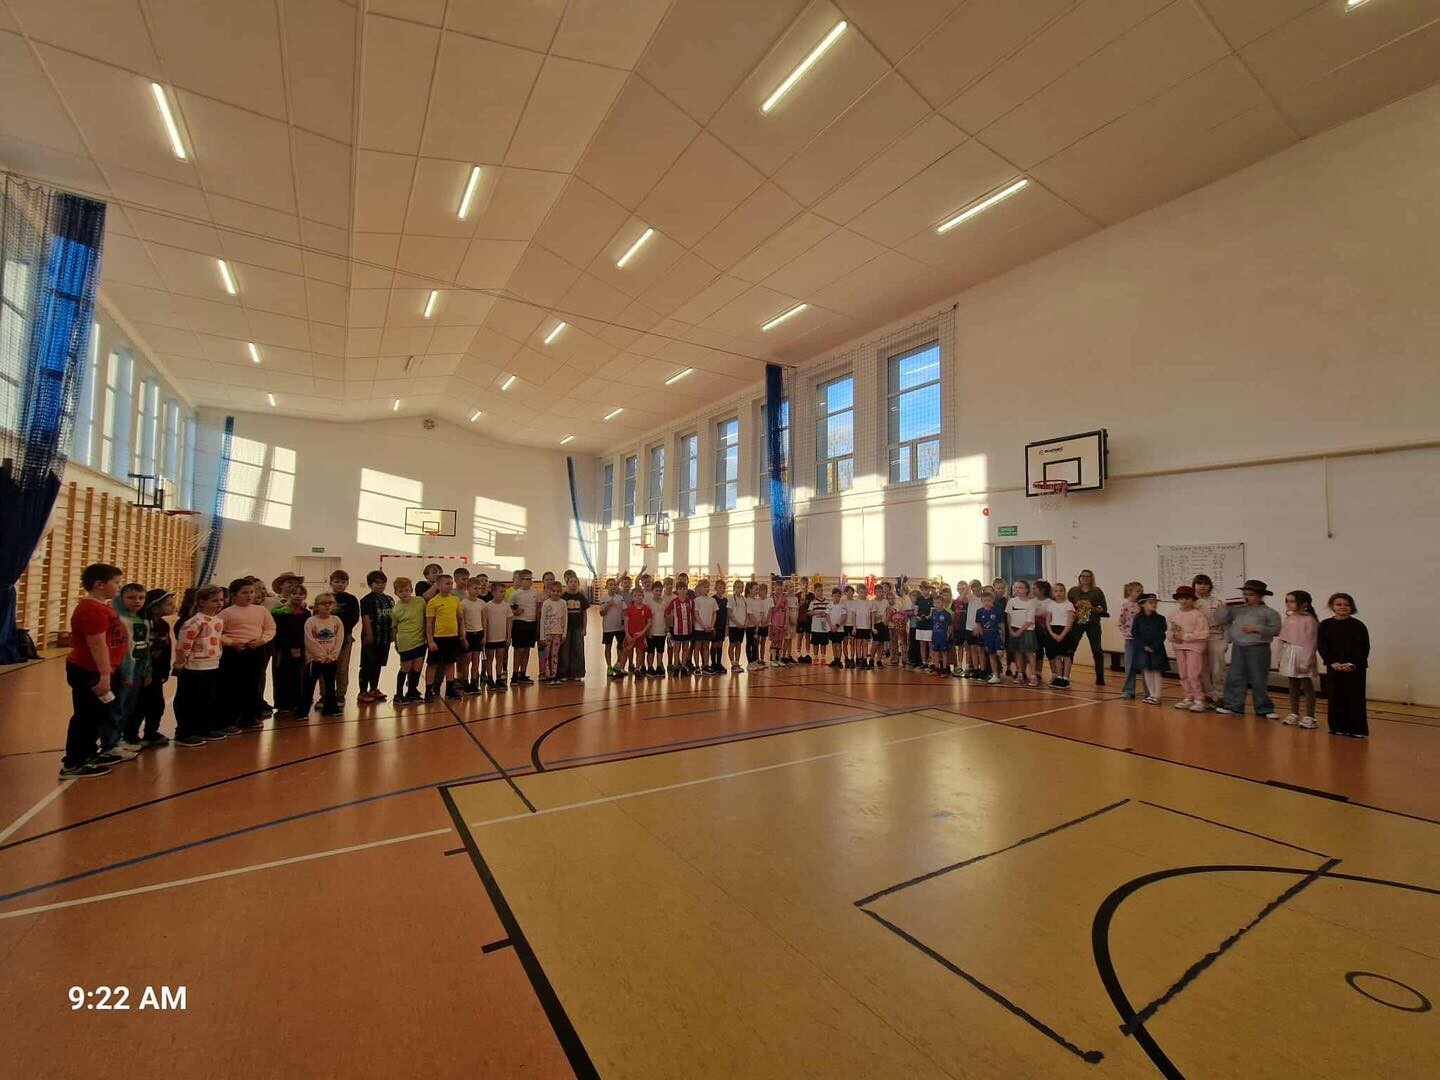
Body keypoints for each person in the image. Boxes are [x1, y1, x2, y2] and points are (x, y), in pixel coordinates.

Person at [60, 563, 129, 777]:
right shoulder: (92, 610)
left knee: (99, 714)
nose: (119, 587)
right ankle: (74, 762)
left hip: (99, 670)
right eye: (116, 583)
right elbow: (97, 645)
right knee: (87, 716)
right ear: (99, 585)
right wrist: (104, 675)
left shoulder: (102, 607)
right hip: (90, 671)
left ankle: (88, 753)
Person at [1216, 580, 1281, 719]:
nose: (1246, 597)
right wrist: (1223, 608)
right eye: (1245, 594)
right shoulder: (1238, 609)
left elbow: (1276, 630)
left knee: (1258, 678)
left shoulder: (1269, 612)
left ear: (1260, 596)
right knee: (1235, 676)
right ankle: (1233, 705)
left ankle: (1264, 708)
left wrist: (1256, 628)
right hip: (1239, 646)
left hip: (1258, 648)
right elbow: (1221, 619)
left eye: (1251, 595)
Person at [171, 585, 227, 747]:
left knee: (208, 699)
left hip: (212, 665)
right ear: (201, 602)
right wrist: (180, 662)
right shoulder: (195, 622)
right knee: (190, 700)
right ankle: (185, 732)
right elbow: (184, 644)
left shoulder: (217, 620)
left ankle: (204, 728)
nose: (219, 603)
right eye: (214, 600)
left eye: (221, 600)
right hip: (194, 667)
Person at [220, 578, 276, 732]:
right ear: (234, 595)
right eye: (244, 593)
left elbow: (270, 628)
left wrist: (262, 640)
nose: (249, 595)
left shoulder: (261, 610)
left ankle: (249, 717)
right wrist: (231, 642)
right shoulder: (226, 613)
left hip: (256, 650)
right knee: (233, 686)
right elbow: (217, 632)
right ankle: (230, 720)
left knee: (253, 685)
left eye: (251, 592)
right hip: (235, 652)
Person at [128, 588, 176, 748]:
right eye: (168, 604)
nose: (173, 606)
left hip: (156, 672)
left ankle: (151, 732)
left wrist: (165, 669)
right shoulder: (142, 624)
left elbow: (167, 649)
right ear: (154, 607)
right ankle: (130, 735)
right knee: (139, 705)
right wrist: (144, 671)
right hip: (142, 672)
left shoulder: (163, 625)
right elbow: (140, 650)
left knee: (157, 704)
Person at [1317, 592, 1369, 738]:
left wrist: (1352, 663)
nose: (1343, 607)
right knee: (1335, 697)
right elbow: (1322, 645)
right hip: (1334, 667)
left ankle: (1356, 729)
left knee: (1355, 697)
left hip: (1355, 668)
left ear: (1352, 607)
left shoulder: (1358, 625)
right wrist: (1331, 662)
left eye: (1346, 604)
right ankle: (1337, 727)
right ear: (1332, 606)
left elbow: (1363, 647)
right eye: (1339, 604)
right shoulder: (1325, 625)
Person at [108, 582, 149, 757]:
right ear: (121, 599)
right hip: (125, 670)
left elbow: (144, 647)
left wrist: (147, 669)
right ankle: (111, 743)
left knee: (129, 707)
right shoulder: (120, 621)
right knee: (117, 707)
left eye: (141, 598)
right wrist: (126, 673)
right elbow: (123, 650)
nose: (137, 601)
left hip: (138, 669)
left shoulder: (141, 620)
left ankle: (121, 739)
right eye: (131, 598)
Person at [1277, 590, 1320, 729]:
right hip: (1289, 652)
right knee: (1292, 684)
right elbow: (1282, 638)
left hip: (1302, 654)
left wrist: (1306, 661)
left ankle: (1310, 716)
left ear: (1304, 603)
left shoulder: (1310, 620)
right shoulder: (1289, 618)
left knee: (1306, 685)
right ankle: (1294, 713)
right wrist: (1280, 656)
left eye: (1292, 601)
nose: (1288, 604)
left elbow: (1311, 643)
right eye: (1287, 601)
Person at [270, 583, 310, 717]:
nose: (297, 596)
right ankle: (282, 704)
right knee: (282, 676)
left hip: (301, 648)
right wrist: (290, 646)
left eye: (301, 594)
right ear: (289, 595)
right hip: (283, 649)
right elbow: (278, 632)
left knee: (298, 676)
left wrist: (299, 647)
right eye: (294, 593)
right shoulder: (279, 612)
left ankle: (297, 702)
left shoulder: (306, 613)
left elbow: (305, 632)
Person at [1168, 586, 1210, 711]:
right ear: (1177, 600)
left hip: (1194, 647)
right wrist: (1172, 637)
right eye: (1181, 598)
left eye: (1187, 598)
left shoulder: (1198, 615)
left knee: (1193, 674)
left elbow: (1203, 633)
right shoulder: (1173, 615)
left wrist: (1185, 637)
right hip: (1179, 647)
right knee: (1183, 674)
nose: (1184, 601)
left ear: (1192, 599)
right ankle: (1188, 697)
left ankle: (1199, 699)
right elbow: (1171, 630)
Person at [423, 573, 465, 701]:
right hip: (438, 638)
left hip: (452, 637)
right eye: (447, 583)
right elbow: (429, 624)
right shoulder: (433, 602)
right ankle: (428, 691)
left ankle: (450, 689)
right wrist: (430, 641)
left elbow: (460, 618)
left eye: (451, 583)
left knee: (450, 664)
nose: (450, 586)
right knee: (433, 665)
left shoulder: (455, 600)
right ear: (439, 586)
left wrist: (462, 633)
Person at [303, 592, 344, 716]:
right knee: (309, 685)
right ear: (317, 606)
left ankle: (331, 708)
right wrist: (321, 656)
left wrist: (333, 656)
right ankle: (303, 711)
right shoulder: (311, 621)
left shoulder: (336, 620)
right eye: (323, 603)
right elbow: (310, 641)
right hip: (315, 660)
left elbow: (339, 639)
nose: (327, 606)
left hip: (331, 659)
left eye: (330, 603)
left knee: (330, 684)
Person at [1067, 570, 1110, 686]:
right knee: (1071, 648)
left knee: (1097, 650)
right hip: (1077, 623)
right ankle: (1065, 675)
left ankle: (1100, 677)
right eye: (1083, 576)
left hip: (1093, 623)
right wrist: (1076, 606)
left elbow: (1104, 608)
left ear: (1092, 578)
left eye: (1088, 576)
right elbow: (1066, 606)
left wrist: (1092, 607)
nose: (1085, 578)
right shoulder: (1073, 591)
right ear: (1079, 577)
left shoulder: (1097, 591)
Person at [390, 577, 428, 704]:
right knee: (406, 667)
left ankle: (412, 691)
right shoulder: (396, 609)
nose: (404, 593)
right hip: (406, 641)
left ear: (411, 590)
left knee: (417, 667)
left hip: (420, 640)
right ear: (396, 593)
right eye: (400, 591)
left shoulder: (420, 601)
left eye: (406, 590)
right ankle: (399, 694)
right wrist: (396, 643)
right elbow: (395, 628)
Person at [358, 570, 394, 703]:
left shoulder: (389, 599)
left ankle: (373, 689)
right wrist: (369, 634)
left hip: (384, 638)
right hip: (372, 637)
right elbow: (365, 618)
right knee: (367, 665)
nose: (380, 585)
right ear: (370, 584)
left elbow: (392, 617)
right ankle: (362, 691)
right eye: (377, 583)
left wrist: (392, 633)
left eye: (383, 583)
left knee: (378, 664)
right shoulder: (367, 600)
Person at [1192, 574, 1228, 707]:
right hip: (1197, 639)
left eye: (1206, 583)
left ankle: (1219, 695)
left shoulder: (1218, 603)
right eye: (1199, 583)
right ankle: (1207, 695)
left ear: (1210, 586)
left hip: (1215, 636)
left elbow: (1226, 622)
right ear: (1194, 586)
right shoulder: (1190, 602)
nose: (1202, 586)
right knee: (1202, 668)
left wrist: (1226, 640)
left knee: (1218, 667)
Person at [329, 570, 360, 703]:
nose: (340, 584)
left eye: (343, 582)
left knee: (342, 667)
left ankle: (340, 695)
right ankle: (326, 695)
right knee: (327, 666)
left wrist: (343, 631)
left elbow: (354, 617)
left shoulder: (351, 599)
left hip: (345, 636)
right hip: (327, 638)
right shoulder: (326, 598)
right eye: (337, 582)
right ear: (331, 582)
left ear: (347, 583)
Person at [1132, 593, 1168, 704]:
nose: (1154, 604)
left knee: (1156, 671)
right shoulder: (1138, 618)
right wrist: (1143, 646)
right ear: (1143, 604)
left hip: (1156, 649)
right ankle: (1151, 694)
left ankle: (1157, 696)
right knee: (1146, 670)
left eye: (1155, 603)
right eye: (1151, 602)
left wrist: (1154, 646)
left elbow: (1161, 634)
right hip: (1143, 649)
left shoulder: (1160, 619)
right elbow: (1135, 633)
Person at [1005, 580, 1039, 687]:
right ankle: (1020, 674)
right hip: (1014, 629)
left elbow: (1029, 620)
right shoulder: (1011, 601)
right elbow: (1009, 616)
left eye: (1020, 588)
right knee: (1017, 652)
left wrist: (1019, 631)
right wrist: (1011, 630)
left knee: (1029, 653)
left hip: (1027, 631)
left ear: (1026, 589)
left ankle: (1033, 676)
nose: (1017, 590)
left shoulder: (1031, 603)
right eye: (1015, 588)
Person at [508, 569, 539, 684]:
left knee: (527, 650)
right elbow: (509, 607)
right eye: (528, 579)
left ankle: (523, 673)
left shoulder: (535, 593)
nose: (530, 581)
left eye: (531, 579)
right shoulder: (515, 594)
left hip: (531, 624)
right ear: (521, 580)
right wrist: (516, 611)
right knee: (518, 650)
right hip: (519, 623)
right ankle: (514, 674)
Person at [482, 584, 514, 690]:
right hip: (490, 638)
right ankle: (490, 679)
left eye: (504, 591)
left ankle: (499, 679)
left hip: (502, 637)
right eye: (501, 591)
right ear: (493, 592)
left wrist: (509, 636)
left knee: (500, 658)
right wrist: (485, 636)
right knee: (489, 659)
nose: (503, 594)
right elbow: (485, 622)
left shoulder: (506, 606)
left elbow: (509, 622)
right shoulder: (487, 606)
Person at [1045, 581, 1076, 688]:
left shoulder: (1069, 605)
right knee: (1057, 655)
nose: (1058, 593)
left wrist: (1062, 635)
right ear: (1053, 593)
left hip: (1065, 631)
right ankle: (1059, 676)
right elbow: (1048, 621)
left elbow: (1069, 623)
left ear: (1064, 592)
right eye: (1056, 591)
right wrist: (1051, 633)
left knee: (1066, 656)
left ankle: (1066, 678)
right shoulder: (1051, 605)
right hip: (1054, 630)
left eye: (1061, 591)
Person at [460, 579, 488, 693]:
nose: (477, 590)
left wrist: (484, 636)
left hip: (479, 633)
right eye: (475, 588)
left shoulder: (482, 603)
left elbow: (484, 620)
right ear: (468, 589)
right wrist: (463, 637)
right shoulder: (463, 603)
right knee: (467, 659)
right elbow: (461, 621)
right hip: (468, 634)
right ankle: (465, 683)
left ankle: (473, 682)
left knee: (476, 659)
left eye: (479, 588)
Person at [1117, 582, 1144, 700]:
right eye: (1137, 591)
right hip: (1131, 640)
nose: (1140, 593)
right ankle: (1129, 690)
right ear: (1130, 592)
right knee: (1130, 665)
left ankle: (1149, 692)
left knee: (1145, 665)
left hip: (1143, 639)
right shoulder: (1126, 605)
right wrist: (1127, 632)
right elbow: (1121, 622)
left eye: (1141, 591)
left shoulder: (1143, 605)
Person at [539, 579, 568, 686]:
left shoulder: (563, 603)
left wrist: (564, 634)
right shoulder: (546, 603)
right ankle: (548, 675)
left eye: (558, 591)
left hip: (558, 633)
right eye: (554, 591)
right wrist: (542, 636)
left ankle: (554, 675)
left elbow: (565, 619)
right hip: (547, 633)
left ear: (561, 592)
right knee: (547, 654)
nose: (556, 593)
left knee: (555, 654)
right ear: (550, 591)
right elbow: (542, 620)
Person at [975, 589, 1005, 684]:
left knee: (999, 654)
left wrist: (1003, 636)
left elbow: (1001, 624)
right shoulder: (979, 611)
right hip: (987, 637)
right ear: (981, 601)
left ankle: (1000, 670)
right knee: (991, 655)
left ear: (992, 600)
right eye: (985, 600)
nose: (987, 602)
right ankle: (995, 675)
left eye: (989, 600)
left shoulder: (997, 610)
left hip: (997, 636)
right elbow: (979, 624)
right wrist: (981, 633)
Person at [667, 579, 696, 675]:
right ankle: (676, 667)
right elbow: (667, 613)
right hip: (677, 630)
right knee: (676, 649)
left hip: (688, 630)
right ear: (677, 591)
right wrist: (671, 620)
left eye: (684, 589)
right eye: (680, 589)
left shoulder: (690, 602)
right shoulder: (674, 602)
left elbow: (693, 614)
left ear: (687, 590)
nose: (682, 591)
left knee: (685, 649)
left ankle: (683, 667)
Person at [622, 588, 651, 678]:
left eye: (639, 595)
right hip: (630, 635)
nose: (637, 597)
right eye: (635, 596)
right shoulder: (629, 609)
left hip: (640, 635)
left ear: (643, 596)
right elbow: (626, 622)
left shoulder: (647, 609)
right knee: (626, 650)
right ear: (632, 598)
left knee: (640, 652)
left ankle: (637, 669)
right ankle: (621, 669)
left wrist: (642, 633)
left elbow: (649, 623)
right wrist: (627, 634)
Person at [600, 579, 625, 677]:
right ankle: (609, 666)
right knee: (608, 647)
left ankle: (618, 664)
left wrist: (623, 623)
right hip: (608, 627)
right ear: (607, 587)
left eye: (615, 585)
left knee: (621, 646)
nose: (613, 586)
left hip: (619, 627)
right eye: (611, 585)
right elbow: (601, 613)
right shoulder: (604, 598)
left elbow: (624, 611)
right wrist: (608, 605)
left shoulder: (620, 597)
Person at [645, 582, 668, 677]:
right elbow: (646, 619)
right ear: (652, 591)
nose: (658, 592)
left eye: (660, 591)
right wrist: (648, 631)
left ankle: (659, 666)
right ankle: (650, 667)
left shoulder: (664, 603)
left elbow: (665, 616)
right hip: (652, 632)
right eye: (656, 591)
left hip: (661, 632)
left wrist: (666, 627)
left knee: (660, 651)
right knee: (651, 651)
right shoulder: (649, 604)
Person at [930, 588, 954, 675]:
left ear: (943, 603)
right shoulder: (934, 613)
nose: (936, 605)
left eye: (938, 603)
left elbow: (950, 626)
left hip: (943, 636)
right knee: (936, 653)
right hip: (935, 636)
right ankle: (937, 668)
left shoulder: (947, 614)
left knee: (944, 653)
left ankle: (944, 668)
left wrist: (949, 635)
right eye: (935, 603)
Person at [726, 579, 748, 675]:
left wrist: (745, 623)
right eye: (738, 587)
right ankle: (732, 663)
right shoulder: (731, 598)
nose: (740, 589)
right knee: (732, 645)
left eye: (742, 587)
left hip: (741, 626)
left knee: (739, 644)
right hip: (733, 626)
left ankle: (737, 663)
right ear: (734, 588)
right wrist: (737, 623)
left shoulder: (744, 599)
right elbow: (729, 613)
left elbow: (746, 612)